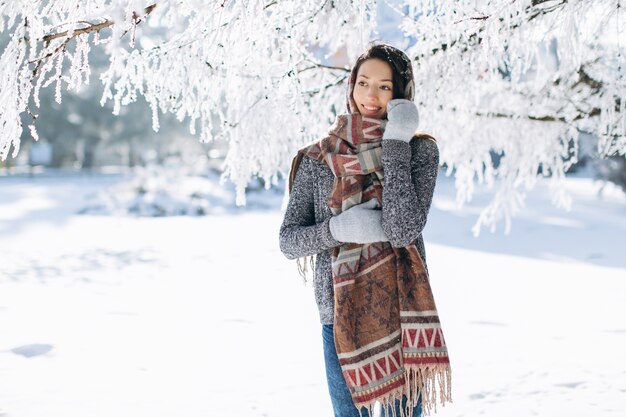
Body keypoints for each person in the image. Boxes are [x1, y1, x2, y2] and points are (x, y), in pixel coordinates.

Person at [279, 43, 452, 417]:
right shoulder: (316, 159)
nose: (370, 96)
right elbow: (289, 241)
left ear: (402, 93)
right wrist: (338, 229)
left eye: (385, 86)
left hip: (403, 309)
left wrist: (394, 144)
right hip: (338, 314)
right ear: (351, 87)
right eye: (363, 83)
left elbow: (402, 228)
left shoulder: (419, 151)